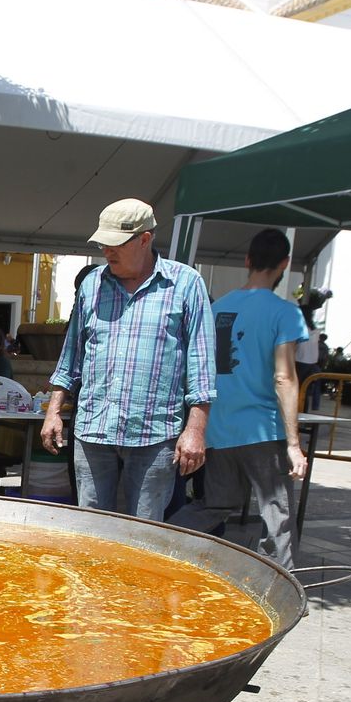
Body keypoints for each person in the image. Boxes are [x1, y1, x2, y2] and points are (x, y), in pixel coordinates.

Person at [41, 198, 214, 521]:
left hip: (153, 434)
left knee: (143, 532)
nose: (107, 251)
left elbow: (201, 367)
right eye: (103, 244)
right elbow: (71, 356)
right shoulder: (92, 284)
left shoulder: (186, 284)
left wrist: (195, 430)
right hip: (93, 430)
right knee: (89, 528)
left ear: (145, 239)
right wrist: (54, 411)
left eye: (115, 244)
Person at [168, 229, 308, 569]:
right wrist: (293, 443)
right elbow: (284, 377)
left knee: (216, 504)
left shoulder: (217, 308)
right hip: (262, 428)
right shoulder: (285, 312)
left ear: (247, 261)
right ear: (284, 264)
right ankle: (279, 588)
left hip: (217, 426)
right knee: (277, 513)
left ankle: (160, 540)